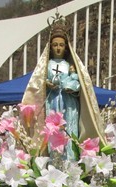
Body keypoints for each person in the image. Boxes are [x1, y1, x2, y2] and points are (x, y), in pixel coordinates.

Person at [45, 26, 80, 159]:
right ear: (51, 47)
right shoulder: (46, 65)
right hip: (52, 100)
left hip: (68, 101)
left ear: (65, 47)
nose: (58, 48)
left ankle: (70, 158)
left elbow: (78, 83)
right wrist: (46, 83)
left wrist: (72, 81)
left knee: (69, 127)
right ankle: (54, 157)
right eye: (55, 45)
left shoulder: (69, 65)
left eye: (61, 45)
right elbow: (38, 81)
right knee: (53, 130)